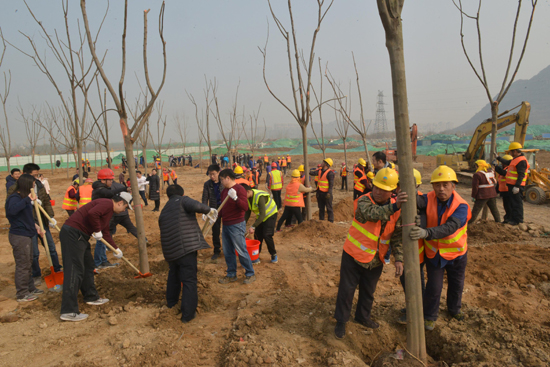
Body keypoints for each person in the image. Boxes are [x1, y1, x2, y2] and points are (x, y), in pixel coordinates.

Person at [334, 167, 405, 338]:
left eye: (384, 189)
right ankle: (341, 321)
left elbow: (397, 237)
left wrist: (399, 259)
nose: (378, 192)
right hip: (353, 255)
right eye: (376, 187)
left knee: (368, 291)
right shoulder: (364, 201)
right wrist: (395, 206)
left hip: (376, 259)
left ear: (393, 191)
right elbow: (372, 214)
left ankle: (362, 317)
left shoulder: (397, 211)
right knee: (346, 290)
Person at [410, 165, 471, 331]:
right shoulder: (428, 198)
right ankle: (429, 316)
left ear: (454, 186)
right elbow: (415, 201)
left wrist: (425, 232)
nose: (441, 189)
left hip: (457, 254)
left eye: (445, 185)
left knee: (456, 285)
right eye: (437, 185)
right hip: (435, 253)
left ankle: (454, 310)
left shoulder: (461, 206)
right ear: (432, 186)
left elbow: (449, 228)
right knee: (434, 287)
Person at [59, 192, 132, 321]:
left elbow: (105, 232)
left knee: (88, 266)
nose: (124, 211)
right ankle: (68, 311)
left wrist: (115, 248)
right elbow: (92, 214)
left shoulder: (108, 210)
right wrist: (97, 230)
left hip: (81, 236)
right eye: (125, 207)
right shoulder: (106, 204)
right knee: (74, 270)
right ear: (121, 203)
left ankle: (91, 296)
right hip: (73, 234)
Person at [160, 184, 216, 323]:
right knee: (189, 280)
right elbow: (198, 206)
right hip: (185, 248)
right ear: (182, 193)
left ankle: (171, 304)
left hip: (170, 252)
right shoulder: (183, 200)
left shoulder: (165, 209)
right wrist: (209, 210)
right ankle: (188, 315)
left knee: (174, 276)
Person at [8, 163, 60, 287]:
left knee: (51, 248)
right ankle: (36, 274)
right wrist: (27, 201)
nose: (36, 178)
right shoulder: (14, 189)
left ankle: (57, 269)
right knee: (34, 253)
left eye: (37, 175)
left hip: (42, 221)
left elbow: (46, 201)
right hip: (28, 224)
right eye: (34, 175)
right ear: (25, 175)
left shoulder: (39, 184)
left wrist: (50, 216)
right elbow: (12, 209)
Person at [6, 174, 45, 302]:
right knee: (23, 265)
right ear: (27, 186)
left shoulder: (24, 199)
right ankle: (22, 293)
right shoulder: (15, 198)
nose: (34, 187)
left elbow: (25, 217)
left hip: (28, 234)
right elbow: (11, 212)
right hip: (19, 236)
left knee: (29, 263)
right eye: (33, 185)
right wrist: (27, 200)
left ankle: (30, 288)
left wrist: (36, 227)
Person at [92, 168, 136, 269]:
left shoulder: (103, 188)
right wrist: (124, 188)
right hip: (99, 218)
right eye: (110, 180)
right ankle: (99, 263)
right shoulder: (100, 190)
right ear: (103, 180)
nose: (112, 182)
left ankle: (103, 261)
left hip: (103, 217)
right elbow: (109, 194)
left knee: (103, 240)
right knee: (101, 241)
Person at [217, 169, 256, 284]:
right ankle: (231, 274)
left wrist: (235, 198)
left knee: (241, 250)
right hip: (226, 224)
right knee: (228, 251)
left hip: (237, 224)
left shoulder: (240, 189)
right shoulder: (224, 191)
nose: (221, 182)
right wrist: (214, 214)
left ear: (228, 178)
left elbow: (245, 207)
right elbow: (224, 208)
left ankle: (250, 273)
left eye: (222, 179)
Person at [243, 184, 278, 264]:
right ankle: (256, 256)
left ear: (248, 191)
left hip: (270, 214)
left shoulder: (259, 197)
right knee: (258, 235)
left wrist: (253, 226)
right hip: (261, 216)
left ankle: (273, 254)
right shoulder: (248, 198)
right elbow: (247, 213)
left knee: (267, 234)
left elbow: (262, 214)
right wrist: (242, 224)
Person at [495, 142, 529, 225]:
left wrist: (517, 186)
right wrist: (498, 157)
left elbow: (521, 174)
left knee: (517, 204)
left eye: (511, 152)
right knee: (513, 203)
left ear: (515, 151)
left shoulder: (521, 161)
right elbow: (506, 161)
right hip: (511, 185)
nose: (510, 153)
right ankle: (513, 219)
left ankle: (518, 220)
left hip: (516, 186)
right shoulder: (515, 159)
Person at [202, 165, 223, 260]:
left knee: (228, 229)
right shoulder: (208, 184)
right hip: (214, 210)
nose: (212, 176)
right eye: (210, 174)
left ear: (218, 172)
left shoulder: (223, 182)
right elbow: (205, 197)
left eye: (213, 174)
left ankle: (229, 249)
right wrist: (204, 211)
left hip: (225, 208)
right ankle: (217, 250)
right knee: (215, 230)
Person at [311, 158, 335, 222]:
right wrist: (309, 169)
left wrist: (329, 193)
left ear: (326, 164)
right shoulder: (319, 171)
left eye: (323, 162)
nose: (322, 163)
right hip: (320, 193)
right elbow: (311, 173)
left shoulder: (330, 173)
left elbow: (331, 184)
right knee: (321, 209)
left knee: (329, 208)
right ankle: (321, 221)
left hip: (326, 194)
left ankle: (330, 222)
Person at [493, 154, 513, 223]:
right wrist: (496, 191)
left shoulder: (509, 169)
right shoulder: (505, 168)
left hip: (508, 191)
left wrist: (496, 166)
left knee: (509, 206)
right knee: (506, 206)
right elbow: (500, 182)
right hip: (504, 191)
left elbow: (503, 173)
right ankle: (507, 218)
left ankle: (509, 219)